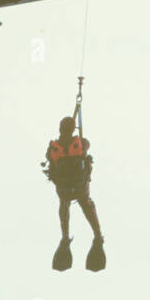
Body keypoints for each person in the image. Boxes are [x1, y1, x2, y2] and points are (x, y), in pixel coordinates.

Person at [44, 116, 105, 271]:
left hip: (64, 191)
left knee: (64, 205)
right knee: (86, 203)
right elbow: (87, 144)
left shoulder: (53, 148)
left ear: (60, 129)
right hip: (79, 188)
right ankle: (97, 236)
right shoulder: (80, 143)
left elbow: (48, 157)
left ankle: (65, 237)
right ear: (72, 130)